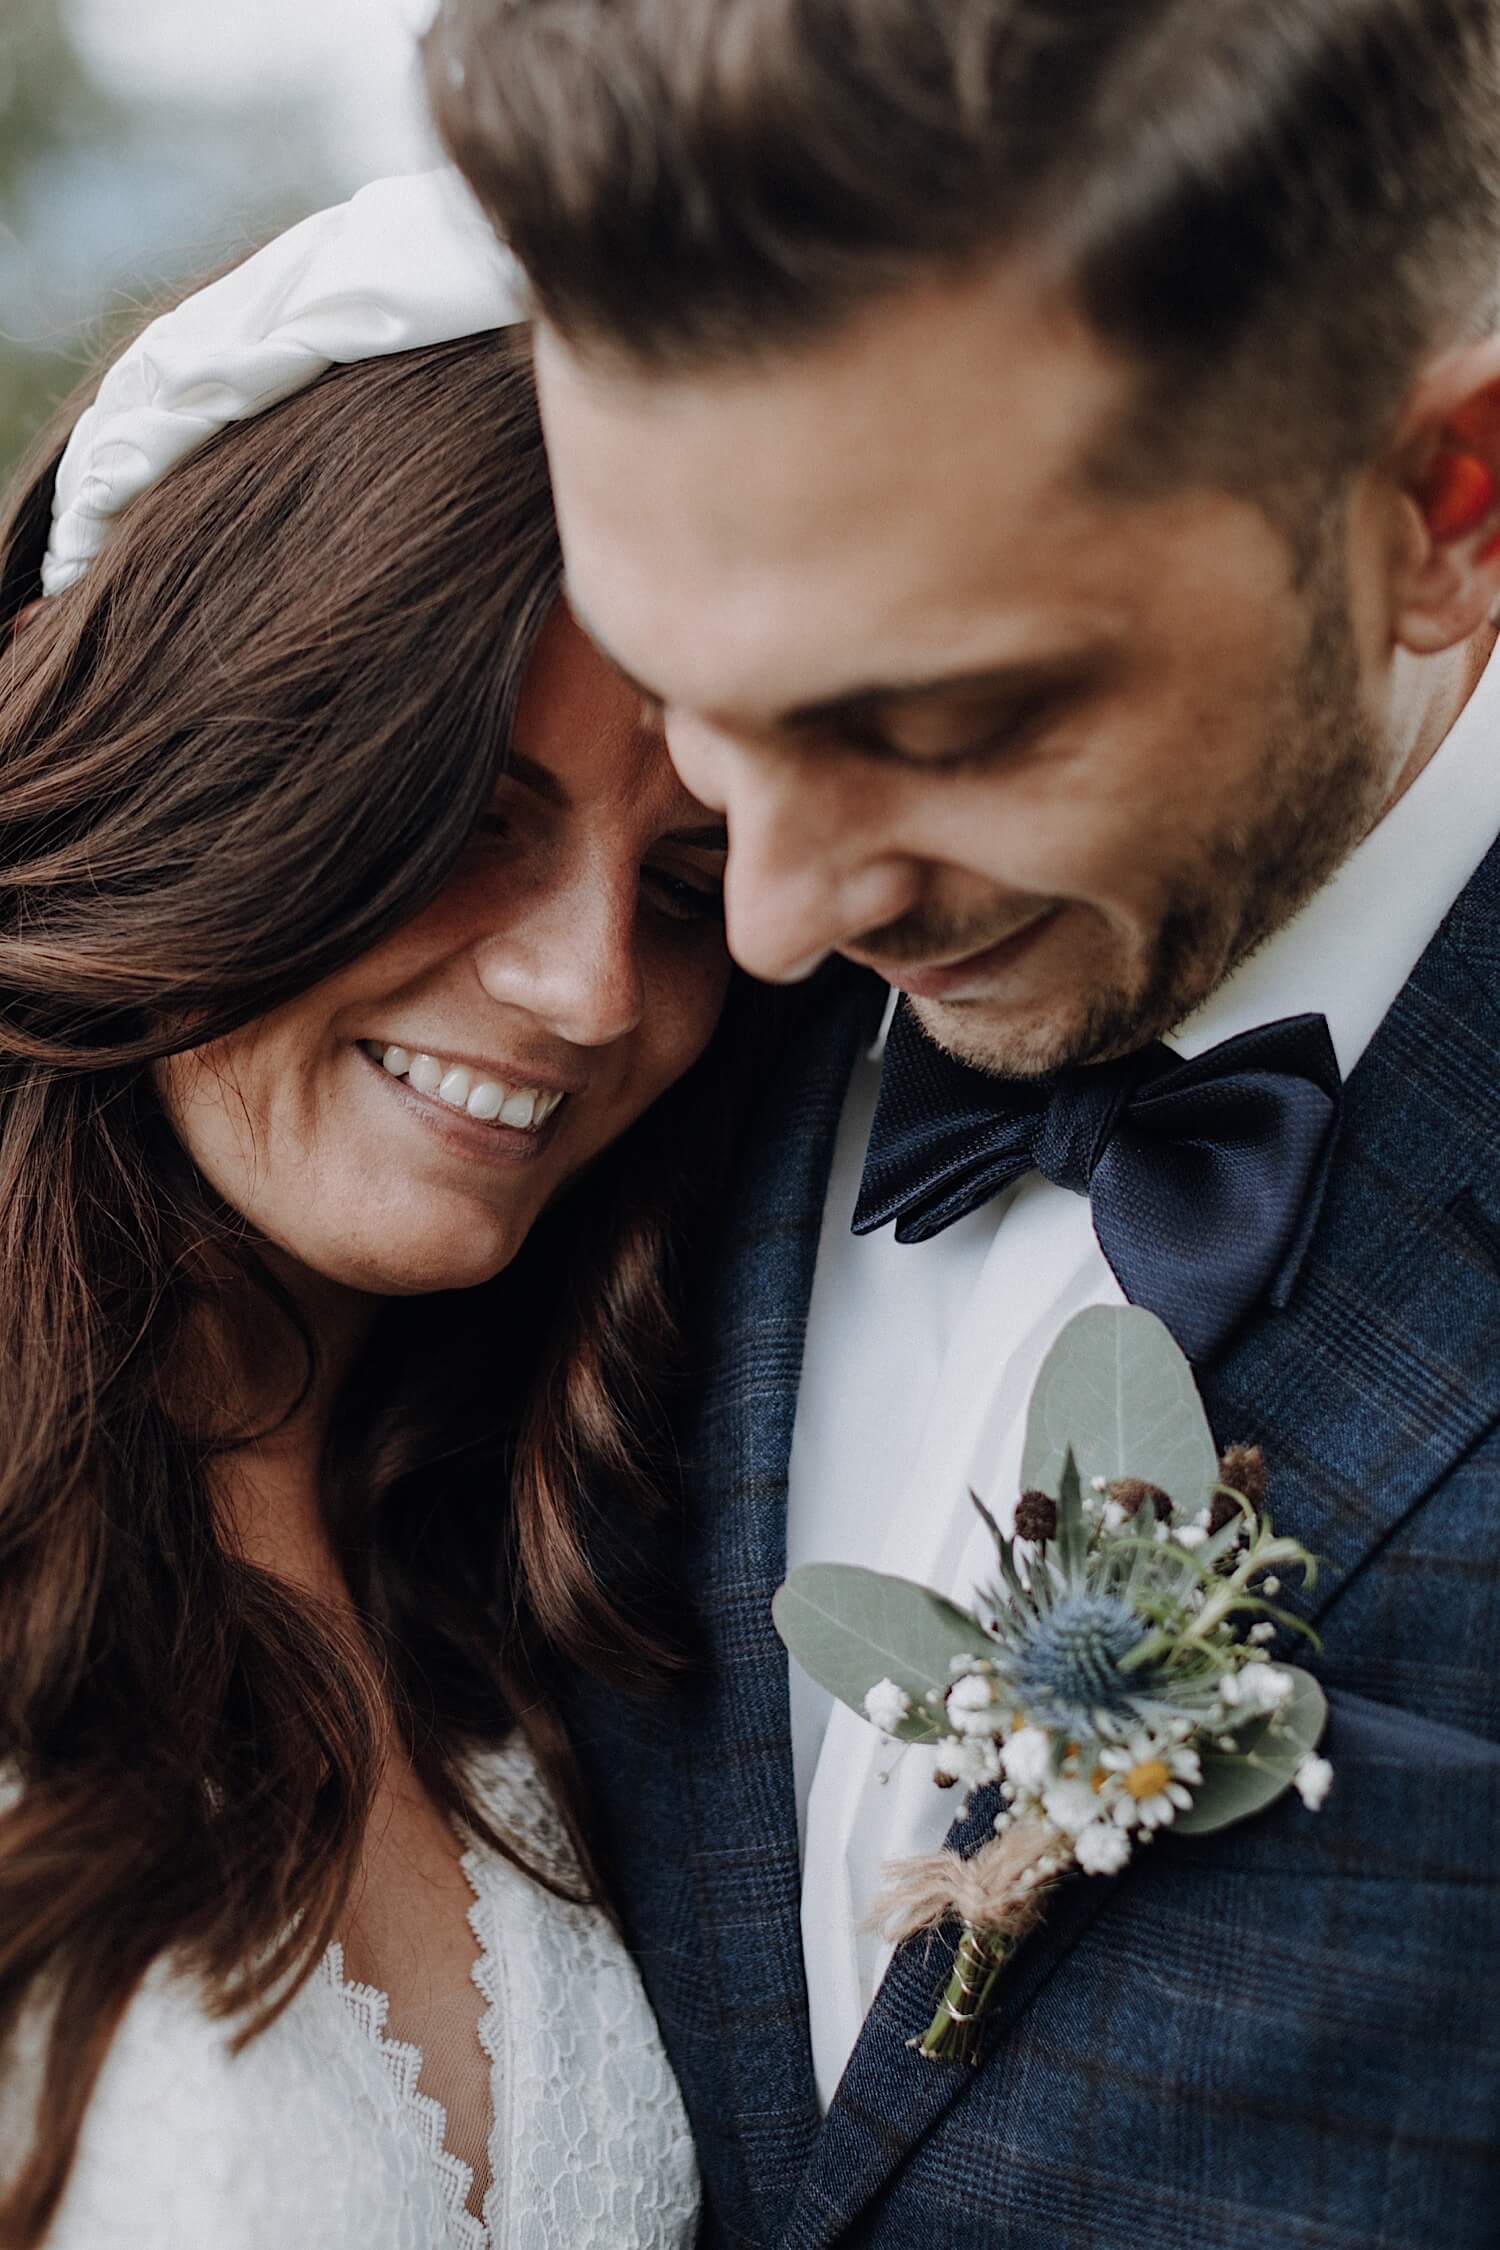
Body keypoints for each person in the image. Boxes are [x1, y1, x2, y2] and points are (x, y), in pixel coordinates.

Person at [425, 1, 1500, 2242]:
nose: (776, 917)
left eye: (942, 726)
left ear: (1443, 505)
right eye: (689, 702)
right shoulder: (592, 1054)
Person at [0, 170, 742, 2249]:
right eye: (469, 820)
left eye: (687, 889)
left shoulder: (569, 1558)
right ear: (207, 779)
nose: (591, 988)